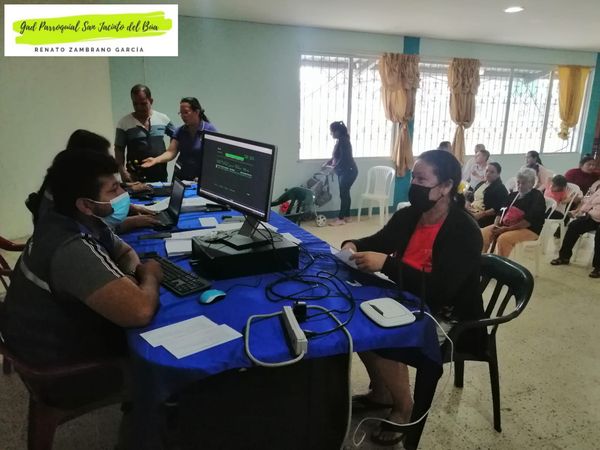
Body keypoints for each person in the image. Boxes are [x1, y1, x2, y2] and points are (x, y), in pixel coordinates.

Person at [341, 150, 484, 445]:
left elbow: (440, 290)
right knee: (355, 318)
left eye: (421, 179)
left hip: (447, 313)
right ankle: (382, 392)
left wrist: (387, 264)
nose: (413, 185)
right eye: (413, 178)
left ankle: (404, 407)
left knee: (382, 334)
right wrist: (352, 244)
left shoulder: (463, 230)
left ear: (446, 186)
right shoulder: (410, 216)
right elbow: (379, 241)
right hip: (408, 296)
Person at [1, 149, 162, 366]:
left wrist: (131, 277)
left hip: (39, 335)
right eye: (113, 189)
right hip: (55, 361)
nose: (122, 194)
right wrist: (150, 276)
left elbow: (124, 251)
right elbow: (140, 311)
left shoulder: (71, 219)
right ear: (86, 204)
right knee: (160, 337)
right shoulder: (71, 247)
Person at [28, 130, 161, 232]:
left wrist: (129, 206)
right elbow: (93, 230)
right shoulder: (64, 199)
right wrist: (133, 222)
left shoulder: (66, 178)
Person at [141, 97, 217, 181]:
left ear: (197, 112)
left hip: (199, 178)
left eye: (186, 112)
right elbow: (171, 152)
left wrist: (205, 176)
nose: (183, 116)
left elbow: (213, 158)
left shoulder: (209, 130)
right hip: (180, 176)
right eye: (181, 113)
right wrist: (155, 160)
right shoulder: (180, 131)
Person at [115, 84, 176, 182]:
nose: (139, 107)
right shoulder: (124, 123)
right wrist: (122, 172)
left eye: (143, 104)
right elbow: (119, 149)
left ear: (151, 101)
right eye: (135, 104)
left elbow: (177, 136)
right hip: (134, 177)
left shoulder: (163, 119)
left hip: (160, 175)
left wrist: (170, 151)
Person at [481, 168, 546, 257]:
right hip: (505, 226)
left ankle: (501, 263)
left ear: (531, 183)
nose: (519, 185)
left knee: (504, 239)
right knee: (484, 233)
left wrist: (506, 229)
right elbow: (500, 212)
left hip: (529, 229)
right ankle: (482, 258)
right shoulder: (513, 195)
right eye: (518, 182)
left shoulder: (537, 196)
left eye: (523, 183)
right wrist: (496, 225)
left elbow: (527, 222)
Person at [550, 180, 600, 278]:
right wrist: (579, 211)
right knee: (574, 226)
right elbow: (590, 202)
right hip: (594, 217)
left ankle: (598, 267)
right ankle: (564, 257)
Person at [324, 121, 358, 226]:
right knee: (345, 193)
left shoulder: (344, 141)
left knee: (343, 194)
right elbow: (336, 156)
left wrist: (334, 168)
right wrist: (328, 163)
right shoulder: (340, 140)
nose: (331, 134)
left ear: (338, 131)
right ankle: (347, 216)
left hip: (349, 171)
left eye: (332, 131)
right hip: (346, 171)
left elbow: (344, 158)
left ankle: (341, 219)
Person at [467, 162, 509, 227]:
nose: (488, 174)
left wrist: (481, 214)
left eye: (492, 172)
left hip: (484, 216)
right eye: (487, 171)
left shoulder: (500, 188)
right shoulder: (481, 184)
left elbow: (498, 208)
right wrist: (467, 205)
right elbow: (471, 198)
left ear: (498, 174)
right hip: (472, 210)